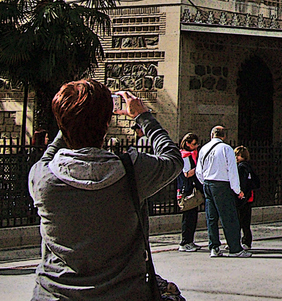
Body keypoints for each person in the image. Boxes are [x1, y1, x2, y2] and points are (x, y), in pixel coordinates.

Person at [28, 79, 183, 300]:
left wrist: (71, 122)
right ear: (107, 121)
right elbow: (173, 159)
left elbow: (49, 156)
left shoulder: (43, 177)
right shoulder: (133, 171)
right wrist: (143, 117)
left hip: (54, 294)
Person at [196, 125, 251, 257]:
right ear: (224, 136)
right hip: (221, 184)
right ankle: (235, 248)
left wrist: (205, 182)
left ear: (211, 135)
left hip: (208, 183)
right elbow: (232, 171)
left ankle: (214, 247)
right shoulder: (226, 149)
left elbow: (199, 170)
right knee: (229, 217)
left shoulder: (204, 148)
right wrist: (237, 190)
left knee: (211, 217)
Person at [177, 132, 202, 252]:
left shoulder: (193, 154)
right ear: (187, 143)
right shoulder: (185, 156)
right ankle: (184, 242)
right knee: (188, 216)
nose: (196, 146)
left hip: (192, 188)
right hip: (187, 189)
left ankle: (190, 241)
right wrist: (199, 168)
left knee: (193, 215)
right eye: (194, 144)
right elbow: (187, 173)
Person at [234, 146, 257, 251]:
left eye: (238, 155)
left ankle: (243, 241)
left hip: (243, 197)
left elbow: (242, 182)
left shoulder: (241, 167)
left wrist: (240, 192)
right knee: (245, 221)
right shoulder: (249, 166)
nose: (236, 157)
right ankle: (245, 241)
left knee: (241, 221)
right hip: (248, 197)